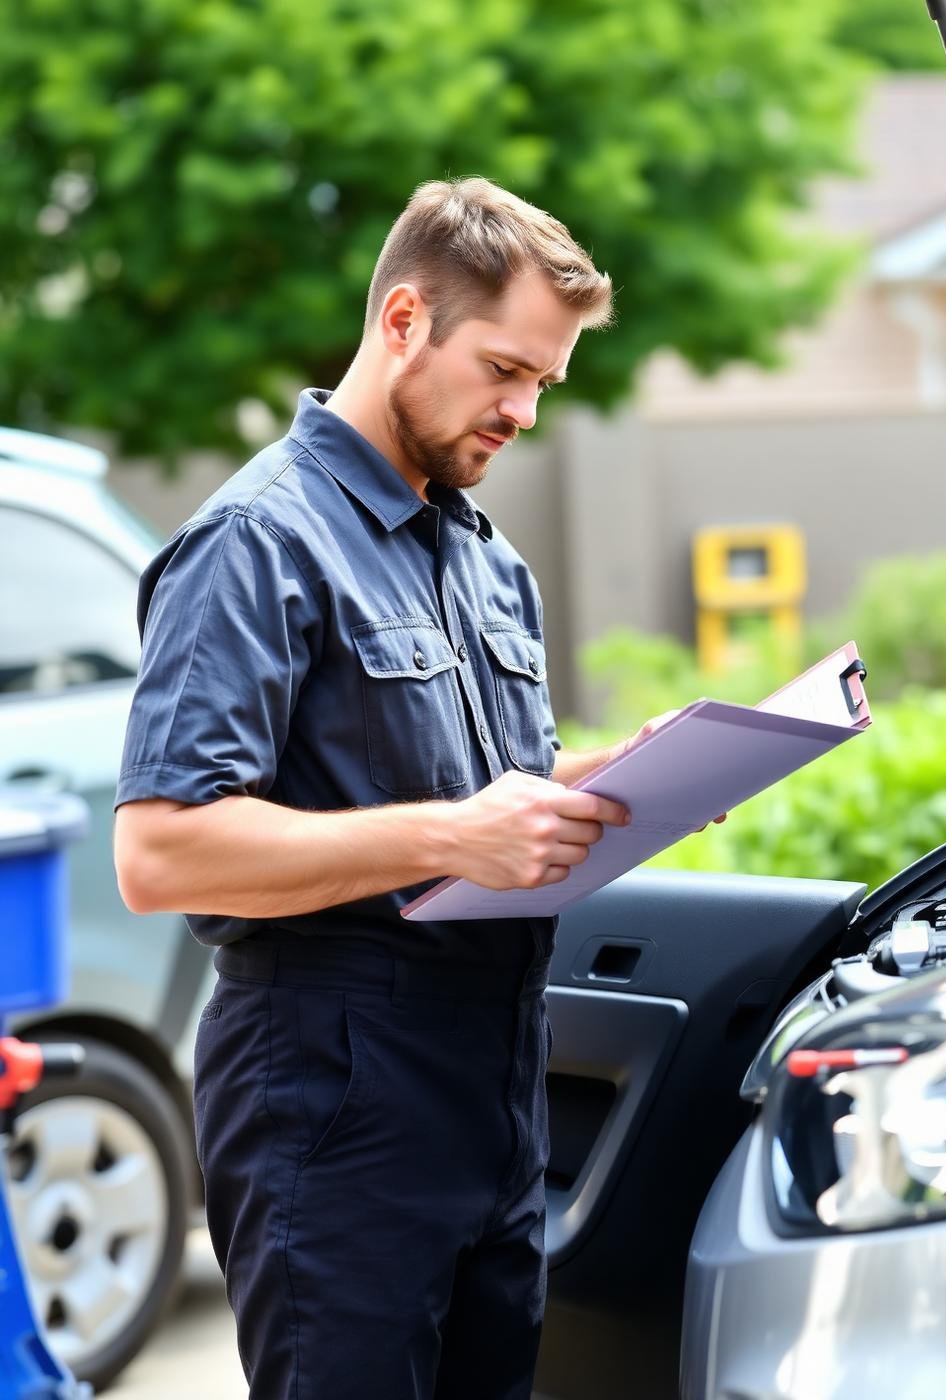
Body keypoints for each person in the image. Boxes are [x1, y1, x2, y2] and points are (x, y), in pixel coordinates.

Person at [112, 177, 659, 1400]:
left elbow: (486, 789)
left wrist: (624, 775)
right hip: (333, 1090)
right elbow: (160, 852)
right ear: (405, 319)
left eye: (544, 384)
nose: (524, 410)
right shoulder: (257, 540)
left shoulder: (485, 558)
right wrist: (452, 837)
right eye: (506, 369)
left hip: (496, 1083)